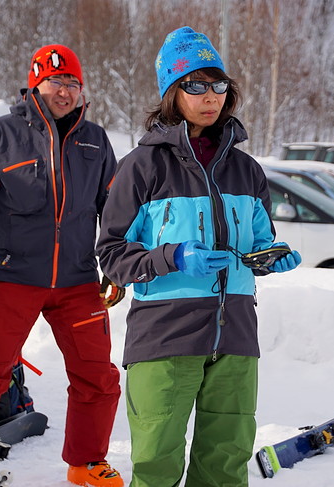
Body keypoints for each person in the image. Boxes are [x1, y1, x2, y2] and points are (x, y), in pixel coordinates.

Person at [96, 26, 301, 487]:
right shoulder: (142, 167)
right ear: (173, 90)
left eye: (219, 85)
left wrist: (273, 257)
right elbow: (111, 256)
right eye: (196, 84)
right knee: (156, 466)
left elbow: (259, 243)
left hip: (235, 338)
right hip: (164, 338)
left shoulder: (247, 170)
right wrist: (172, 257)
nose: (211, 96)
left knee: (225, 466)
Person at [0, 44, 125, 487]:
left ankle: (86, 462)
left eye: (73, 84)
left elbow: (114, 210)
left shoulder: (96, 141)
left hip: (78, 281)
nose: (64, 91)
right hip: (12, 277)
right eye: (55, 82)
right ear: (35, 85)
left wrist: (113, 264)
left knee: (97, 376)